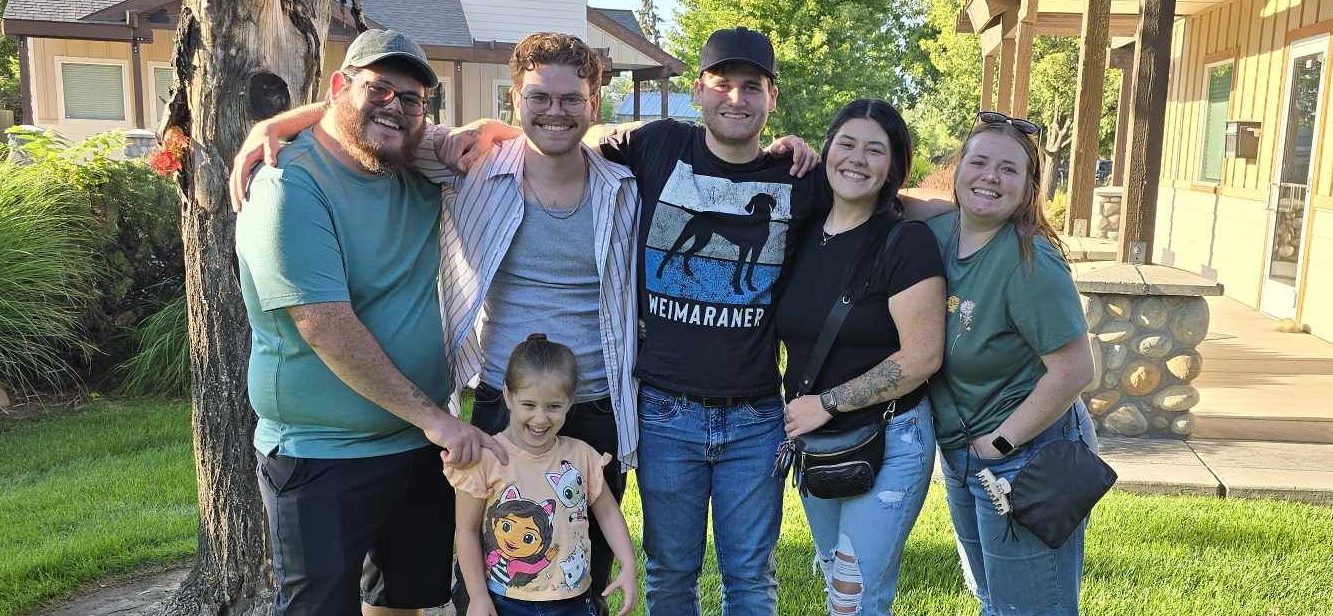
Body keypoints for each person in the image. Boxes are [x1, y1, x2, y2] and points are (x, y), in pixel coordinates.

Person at [231, 31, 640, 616]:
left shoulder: (621, 184)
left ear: (594, 102)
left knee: (566, 578)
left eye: (571, 98)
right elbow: (322, 319)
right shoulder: (463, 168)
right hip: (470, 416)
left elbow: (704, 140)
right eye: (538, 97)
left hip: (573, 412)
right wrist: (281, 123)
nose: (556, 110)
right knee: (498, 579)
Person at [235, 29, 506, 616]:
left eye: (411, 99)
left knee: (402, 601)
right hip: (322, 452)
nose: (395, 106)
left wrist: (484, 129)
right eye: (378, 88)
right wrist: (435, 417)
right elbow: (323, 324)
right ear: (339, 87)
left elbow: (541, 137)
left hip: (414, 444)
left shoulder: (411, 156)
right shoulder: (289, 185)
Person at [918, 111, 1096, 615]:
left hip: (1024, 454)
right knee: (993, 599)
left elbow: (1075, 370)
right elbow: (885, 197)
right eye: (978, 162)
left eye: (1009, 169)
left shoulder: (1030, 260)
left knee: (1032, 607)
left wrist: (1000, 444)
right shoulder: (941, 231)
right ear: (957, 170)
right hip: (964, 455)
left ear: (1029, 187)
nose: (990, 177)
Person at [774, 99, 945, 615]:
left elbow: (922, 356)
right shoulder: (802, 230)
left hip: (890, 437)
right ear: (826, 150)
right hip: (818, 442)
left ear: (894, 167)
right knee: (835, 581)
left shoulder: (906, 241)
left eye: (876, 150)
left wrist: (827, 402)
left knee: (855, 596)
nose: (857, 159)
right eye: (846, 144)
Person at [445, 334, 638, 616]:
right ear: (508, 396)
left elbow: (608, 514)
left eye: (553, 407)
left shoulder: (582, 456)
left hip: (573, 602)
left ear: (570, 403)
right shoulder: (486, 459)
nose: (540, 418)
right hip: (504, 602)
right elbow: (467, 530)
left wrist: (628, 564)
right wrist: (477, 596)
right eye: (529, 405)